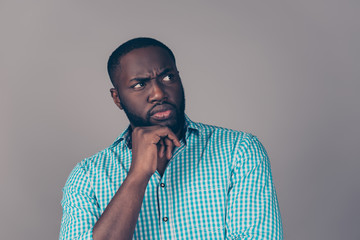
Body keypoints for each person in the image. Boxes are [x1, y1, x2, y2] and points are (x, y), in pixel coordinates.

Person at [59, 37, 283, 239]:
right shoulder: (87, 177)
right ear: (117, 98)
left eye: (167, 77)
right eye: (139, 84)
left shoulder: (239, 151)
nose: (158, 93)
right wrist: (137, 176)